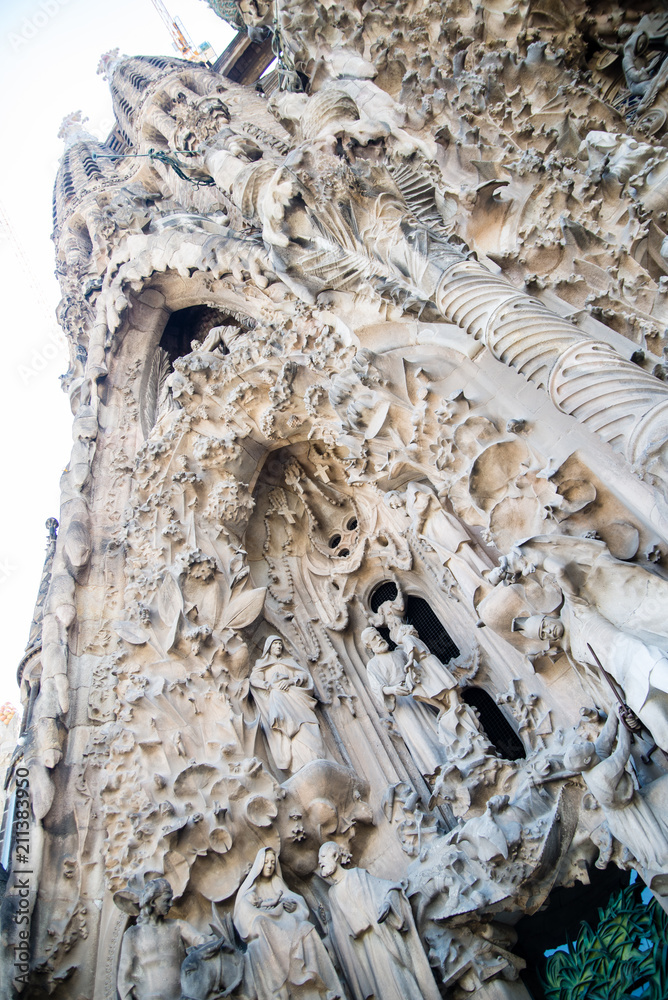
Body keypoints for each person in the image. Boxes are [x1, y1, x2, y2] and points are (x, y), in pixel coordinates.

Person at [317, 841, 441, 1000]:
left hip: (380, 939)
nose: (320, 862)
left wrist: (388, 905)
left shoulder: (357, 876)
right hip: (363, 953)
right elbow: (340, 937)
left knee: (399, 981)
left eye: (323, 856)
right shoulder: (333, 894)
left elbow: (389, 889)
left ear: (335, 856)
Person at [233, 846, 343, 1000]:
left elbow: (296, 900)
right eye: (266, 862)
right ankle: (285, 985)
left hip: (288, 927)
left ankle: (322, 986)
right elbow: (244, 915)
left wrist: (294, 906)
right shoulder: (250, 890)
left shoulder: (277, 884)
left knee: (307, 928)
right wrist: (267, 913)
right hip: (270, 933)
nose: (270, 866)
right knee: (260, 922)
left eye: (273, 862)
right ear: (260, 865)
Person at [362, 626, 443, 776]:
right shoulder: (373, 665)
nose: (379, 639)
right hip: (401, 704)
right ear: (368, 645)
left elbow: (416, 663)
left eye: (378, 635)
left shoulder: (399, 653)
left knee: (434, 723)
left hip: (417, 694)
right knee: (418, 735)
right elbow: (377, 688)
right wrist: (393, 689)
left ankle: (448, 753)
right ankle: (436, 767)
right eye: (374, 638)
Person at [116, 878, 203, 1000]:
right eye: (166, 900)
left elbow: (201, 941)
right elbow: (124, 977)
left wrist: (213, 942)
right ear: (153, 902)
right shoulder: (133, 934)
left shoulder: (177, 926)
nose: (171, 904)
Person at [250, 636, 325, 772]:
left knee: (307, 724)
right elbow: (254, 679)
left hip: (296, 698)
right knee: (288, 727)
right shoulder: (262, 664)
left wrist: (291, 681)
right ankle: (299, 764)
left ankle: (315, 758)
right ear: (269, 647)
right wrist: (268, 685)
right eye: (275, 644)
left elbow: (303, 675)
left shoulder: (289, 662)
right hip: (279, 699)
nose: (278, 646)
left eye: (280, 644)